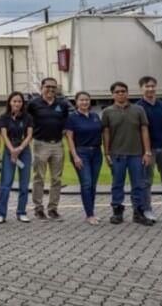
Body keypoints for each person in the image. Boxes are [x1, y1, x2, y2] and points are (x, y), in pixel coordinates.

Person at [102, 81, 154, 226]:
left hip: (136, 154)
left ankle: (138, 213)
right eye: (117, 92)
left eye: (123, 91)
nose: (121, 94)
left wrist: (147, 152)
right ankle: (117, 211)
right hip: (117, 155)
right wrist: (107, 153)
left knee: (138, 184)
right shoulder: (107, 112)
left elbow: (144, 130)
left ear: (127, 93)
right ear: (112, 94)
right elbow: (106, 133)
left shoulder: (138, 110)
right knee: (117, 184)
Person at [27, 77, 70, 220]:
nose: (51, 89)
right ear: (42, 88)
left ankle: (53, 208)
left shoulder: (62, 104)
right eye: (48, 86)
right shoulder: (33, 104)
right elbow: (27, 122)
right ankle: (38, 208)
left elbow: (65, 121)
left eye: (53, 87)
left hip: (58, 144)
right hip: (40, 144)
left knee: (56, 179)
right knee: (38, 177)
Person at [136, 76, 162, 222]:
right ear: (141, 88)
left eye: (153, 86)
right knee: (147, 181)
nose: (150, 89)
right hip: (148, 150)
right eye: (147, 86)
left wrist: (161, 137)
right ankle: (147, 210)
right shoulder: (138, 107)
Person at [65, 91, 102, 225]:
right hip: (81, 153)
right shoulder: (71, 118)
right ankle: (89, 215)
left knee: (93, 184)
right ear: (76, 102)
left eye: (87, 100)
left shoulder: (95, 116)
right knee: (86, 183)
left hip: (96, 152)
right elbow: (69, 138)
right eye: (81, 100)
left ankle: (91, 211)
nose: (84, 102)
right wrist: (75, 156)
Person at [0, 92, 33, 224]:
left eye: (19, 101)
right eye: (14, 101)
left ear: (23, 103)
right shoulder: (4, 117)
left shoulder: (28, 117)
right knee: (6, 184)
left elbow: (29, 135)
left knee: (24, 184)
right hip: (9, 150)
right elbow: (4, 135)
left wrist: (20, 149)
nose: (17, 103)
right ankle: (1, 213)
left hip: (24, 150)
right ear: (10, 102)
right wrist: (12, 150)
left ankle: (21, 212)